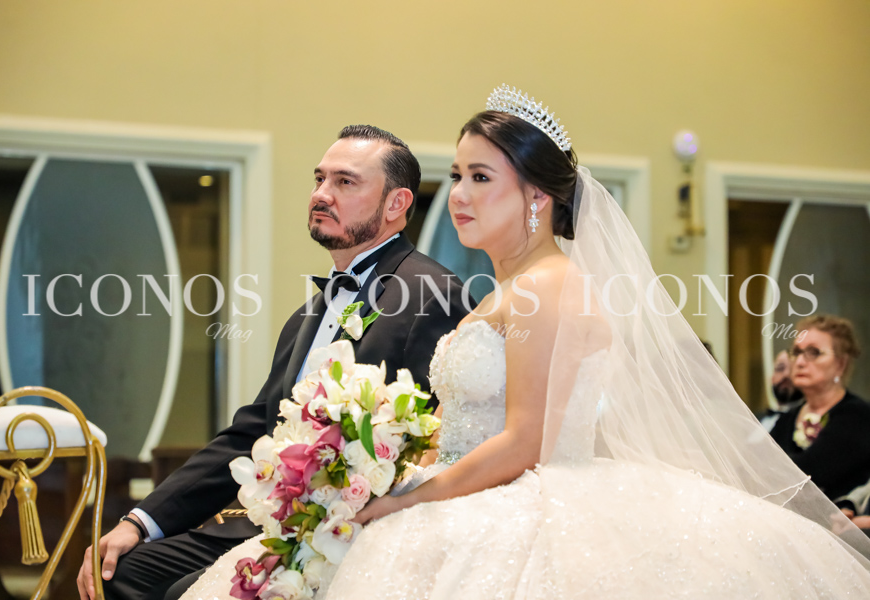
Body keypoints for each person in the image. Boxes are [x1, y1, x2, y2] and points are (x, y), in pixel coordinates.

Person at [179, 86, 870, 599]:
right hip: (473, 488)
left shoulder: (550, 285)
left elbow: (525, 439)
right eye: (456, 176)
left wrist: (405, 501)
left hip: (530, 505)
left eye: (481, 178)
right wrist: (383, 461)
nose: (459, 194)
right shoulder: (504, 290)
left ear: (537, 197)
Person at [76, 125, 471, 600]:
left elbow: (442, 438)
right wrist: (139, 521)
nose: (321, 194)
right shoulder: (307, 315)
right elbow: (252, 431)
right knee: (117, 573)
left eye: (345, 182)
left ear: (396, 204)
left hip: (354, 534)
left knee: (186, 591)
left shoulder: (432, 295)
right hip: (262, 524)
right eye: (319, 179)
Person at [769, 315, 870, 501]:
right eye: (797, 352)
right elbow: (756, 464)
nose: (800, 362)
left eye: (813, 352)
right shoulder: (787, 419)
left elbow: (809, 473)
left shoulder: (857, 416)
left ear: (841, 364)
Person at [760, 349, 804, 431]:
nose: (786, 374)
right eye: (780, 368)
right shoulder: (755, 419)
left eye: (793, 369)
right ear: (772, 377)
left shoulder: (808, 420)